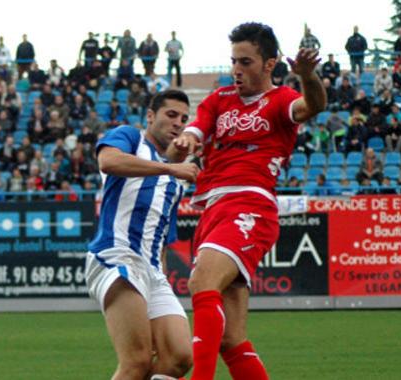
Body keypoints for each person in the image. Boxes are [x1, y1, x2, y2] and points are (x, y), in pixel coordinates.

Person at [170, 22, 325, 380]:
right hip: (212, 209)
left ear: (270, 64)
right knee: (230, 339)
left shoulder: (281, 99)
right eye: (233, 61)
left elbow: (312, 105)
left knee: (201, 283)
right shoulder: (221, 99)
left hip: (249, 204)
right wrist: (188, 140)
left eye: (246, 62)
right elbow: (198, 126)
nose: (236, 70)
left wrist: (307, 76)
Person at [85, 90, 199, 379]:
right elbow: (108, 162)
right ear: (150, 116)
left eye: (184, 119)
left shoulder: (175, 182)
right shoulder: (131, 137)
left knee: (179, 356)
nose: (177, 123)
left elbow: (162, 238)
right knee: (136, 363)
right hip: (115, 255)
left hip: (151, 271)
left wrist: (160, 276)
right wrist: (170, 166)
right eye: (170, 115)